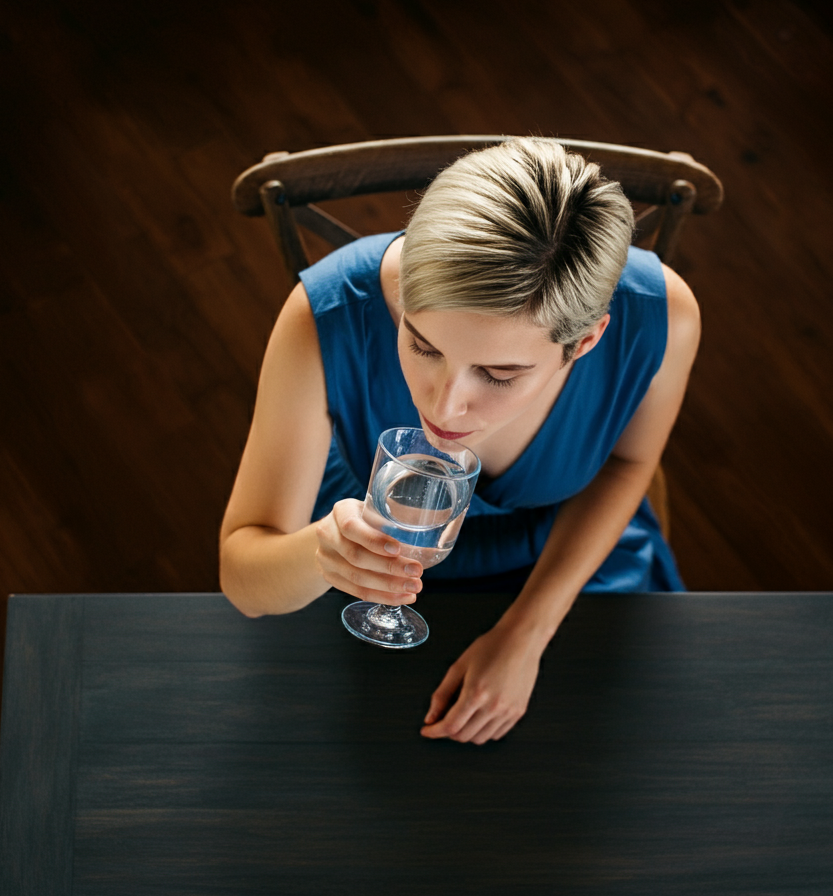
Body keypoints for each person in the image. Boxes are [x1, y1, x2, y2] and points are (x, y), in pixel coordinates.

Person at [219, 137, 700, 746]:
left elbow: (628, 465)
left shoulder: (664, 316)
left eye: (498, 374)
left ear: (585, 342)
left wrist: (525, 633)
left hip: (570, 564)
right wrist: (324, 551)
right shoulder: (328, 313)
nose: (443, 409)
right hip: (361, 574)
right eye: (421, 345)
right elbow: (244, 579)